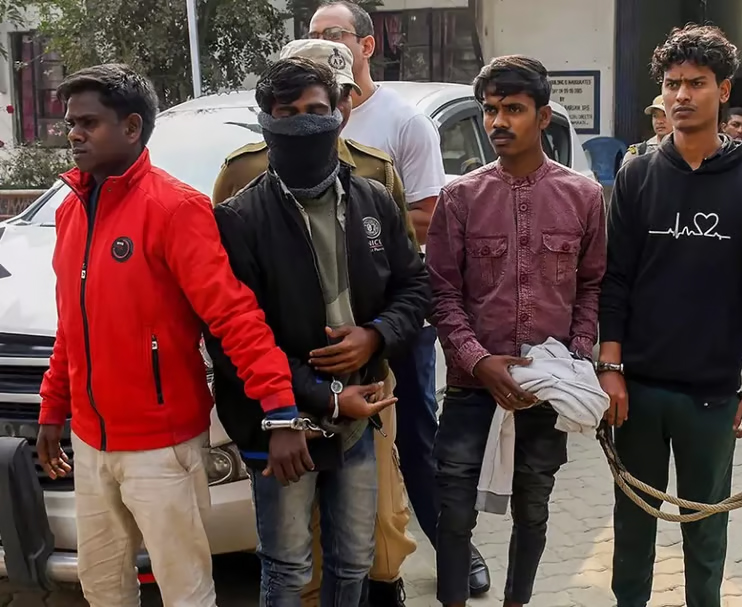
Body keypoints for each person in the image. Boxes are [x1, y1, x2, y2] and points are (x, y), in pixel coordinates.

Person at [35, 63, 298, 607]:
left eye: (88, 123)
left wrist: (280, 409)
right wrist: (52, 409)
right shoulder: (70, 212)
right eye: (71, 123)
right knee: (102, 587)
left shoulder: (175, 208)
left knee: (185, 591)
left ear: (132, 127)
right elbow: (72, 326)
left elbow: (233, 315)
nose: (74, 134)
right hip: (90, 441)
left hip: (162, 445)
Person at [206, 57, 429, 606]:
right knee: (287, 568)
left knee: (354, 560)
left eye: (315, 110)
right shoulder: (239, 218)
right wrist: (321, 396)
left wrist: (376, 335)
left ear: (340, 114)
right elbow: (234, 337)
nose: (304, 122)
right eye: (287, 113)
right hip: (283, 419)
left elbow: (415, 287)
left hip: (359, 417)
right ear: (266, 121)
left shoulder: (374, 199)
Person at [306, 2, 494, 595]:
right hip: (315, 317)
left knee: (413, 431)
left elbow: (427, 217)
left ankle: (452, 545)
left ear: (366, 46)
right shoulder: (296, 114)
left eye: (335, 34)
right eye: (313, 35)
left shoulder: (405, 123)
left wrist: (352, 226)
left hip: (391, 312)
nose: (324, 43)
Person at [598, 25, 742, 607]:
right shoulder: (636, 175)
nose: (682, 95)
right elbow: (615, 279)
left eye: (697, 83)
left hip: (712, 395)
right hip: (639, 391)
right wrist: (610, 367)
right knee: (633, 525)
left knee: (705, 530)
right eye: (673, 83)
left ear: (723, 91)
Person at [426, 55, 606, 607]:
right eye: (490, 110)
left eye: (513, 109)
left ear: (543, 116)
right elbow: (441, 294)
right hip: (472, 386)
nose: (498, 122)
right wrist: (479, 360)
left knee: (533, 508)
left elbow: (593, 287)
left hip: (544, 392)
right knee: (453, 511)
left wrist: (572, 360)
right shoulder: (461, 198)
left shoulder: (583, 197)